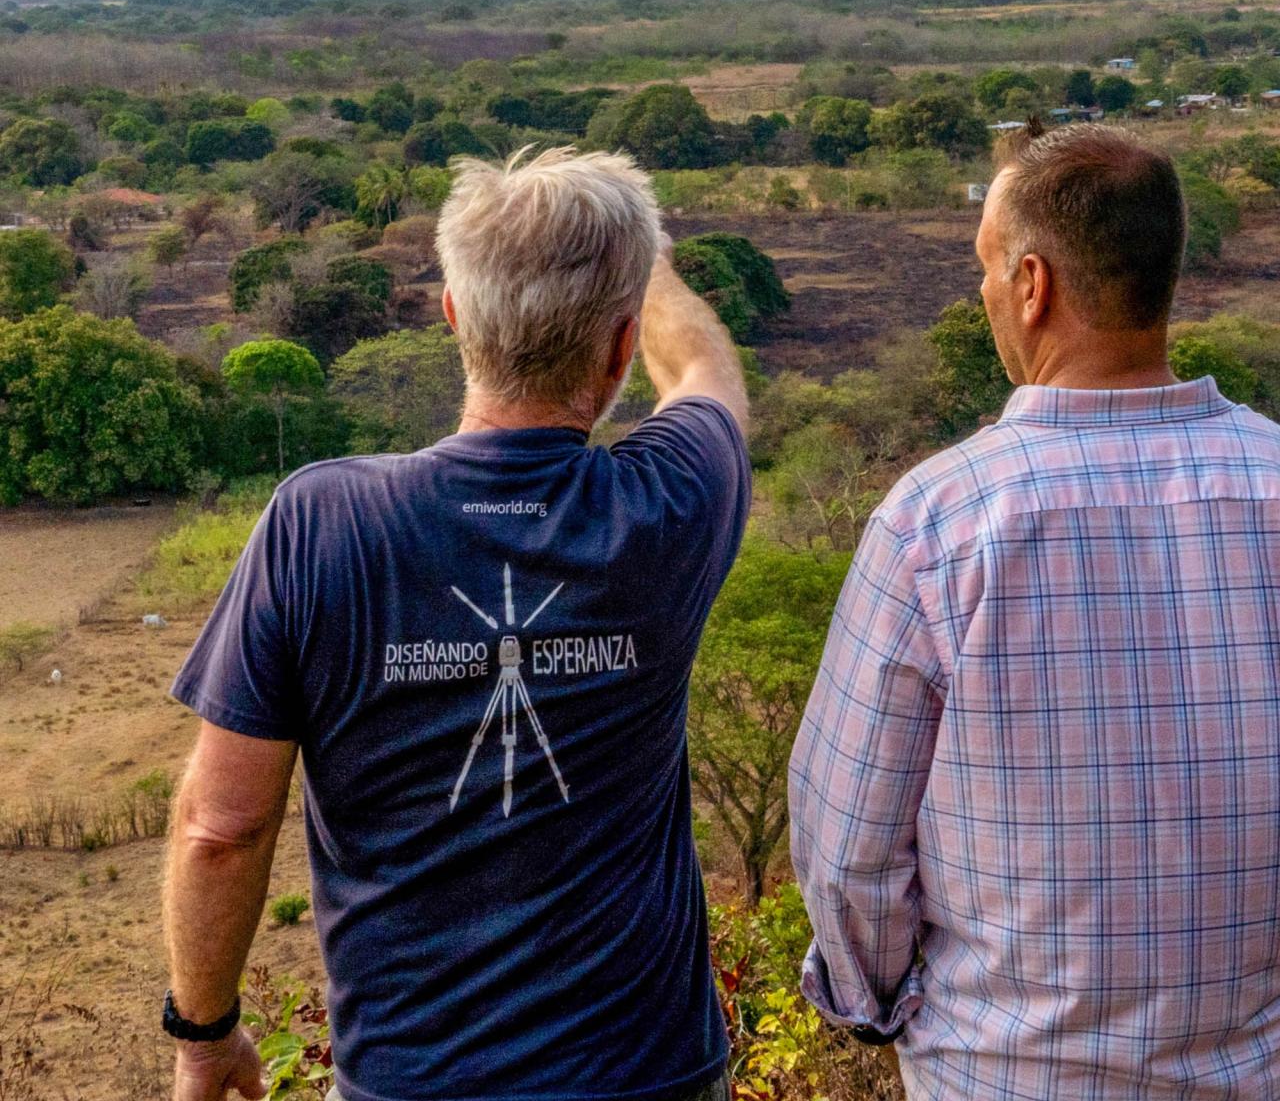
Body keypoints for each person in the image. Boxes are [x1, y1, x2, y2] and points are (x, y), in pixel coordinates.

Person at [163, 147, 749, 1101]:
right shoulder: (671, 502)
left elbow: (220, 831)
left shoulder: (321, 524)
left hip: (413, 1075)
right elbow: (704, 372)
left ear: (452, 317)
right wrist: (649, 263)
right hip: (647, 1073)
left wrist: (204, 1034)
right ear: (617, 346)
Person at [790, 122, 1280, 1099]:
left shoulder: (935, 522)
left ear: (1030, 284)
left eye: (982, 269)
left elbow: (848, 851)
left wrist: (872, 1004)